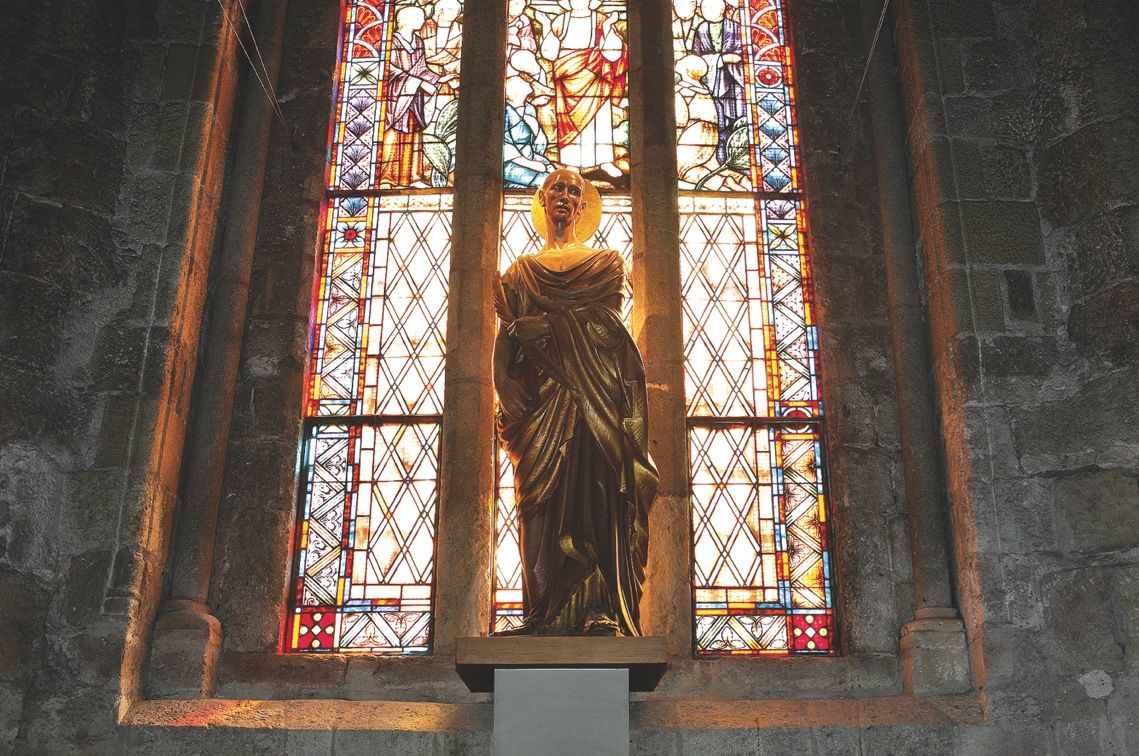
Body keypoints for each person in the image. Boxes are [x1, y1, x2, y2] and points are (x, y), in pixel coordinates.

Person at [493, 169, 658, 636]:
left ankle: (599, 609)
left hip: (594, 396)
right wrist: (502, 383)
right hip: (540, 403)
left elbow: (608, 324)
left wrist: (545, 326)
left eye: (574, 191)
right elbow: (504, 342)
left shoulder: (606, 262)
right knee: (537, 504)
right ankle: (541, 612)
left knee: (597, 495)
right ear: (542, 201)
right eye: (557, 189)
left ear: (583, 207)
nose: (565, 196)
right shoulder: (520, 272)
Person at [540, 0, 627, 178]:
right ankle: (571, 162)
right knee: (568, 121)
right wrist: (546, 26)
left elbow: (613, 53)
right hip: (567, 78)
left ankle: (604, 160)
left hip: (596, 76)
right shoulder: (561, 21)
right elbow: (549, 53)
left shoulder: (601, 19)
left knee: (600, 119)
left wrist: (609, 27)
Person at [378, 4, 456, 187]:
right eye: (419, 16)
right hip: (395, 95)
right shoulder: (392, 41)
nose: (423, 19)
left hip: (413, 97)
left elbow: (421, 69)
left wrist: (441, 79)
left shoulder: (418, 41)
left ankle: (413, 176)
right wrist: (418, 82)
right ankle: (386, 177)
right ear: (405, 20)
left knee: (414, 134)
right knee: (393, 133)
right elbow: (389, 69)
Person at [692, 0, 745, 164]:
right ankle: (719, 159)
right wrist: (720, 59)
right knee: (717, 122)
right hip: (709, 82)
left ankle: (735, 159)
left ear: (722, 9)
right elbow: (695, 56)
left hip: (733, 81)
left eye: (710, 7)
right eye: (703, 7)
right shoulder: (701, 29)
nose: (705, 10)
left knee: (734, 120)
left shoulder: (736, 27)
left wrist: (731, 59)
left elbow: (741, 53)